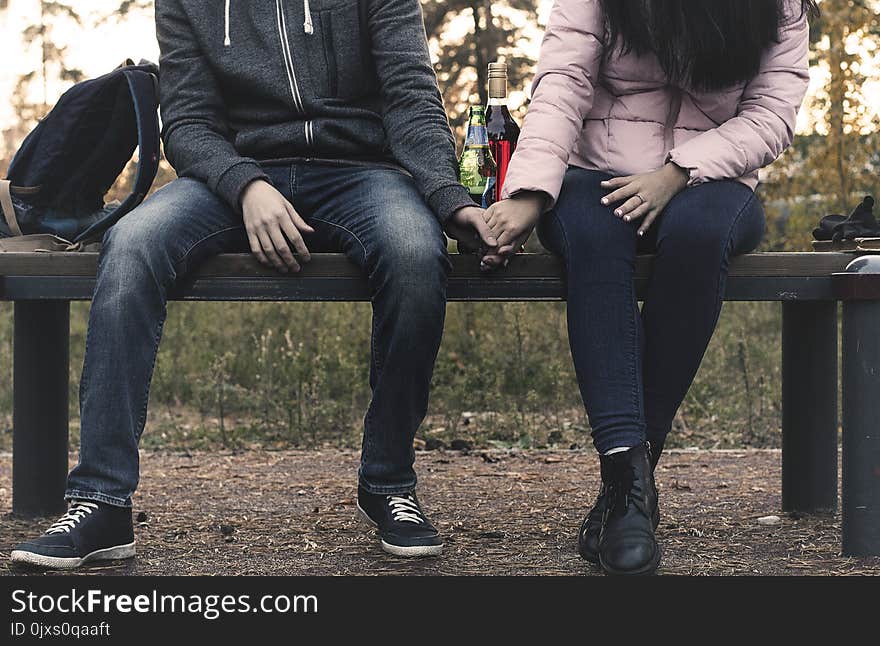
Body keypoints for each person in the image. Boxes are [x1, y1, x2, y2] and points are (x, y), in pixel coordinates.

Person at [11, 0, 495, 569]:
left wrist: (449, 200)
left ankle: (389, 482)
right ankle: (102, 500)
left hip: (362, 172)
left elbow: (411, 99)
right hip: (233, 176)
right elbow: (188, 123)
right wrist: (245, 186)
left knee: (416, 253)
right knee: (135, 241)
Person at [482, 0, 817, 575]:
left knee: (700, 236)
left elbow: (770, 114)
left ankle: (627, 488)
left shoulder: (780, 6)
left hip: (709, 176)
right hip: (596, 169)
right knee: (593, 239)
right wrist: (530, 192)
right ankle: (628, 485)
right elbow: (564, 82)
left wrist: (678, 171)